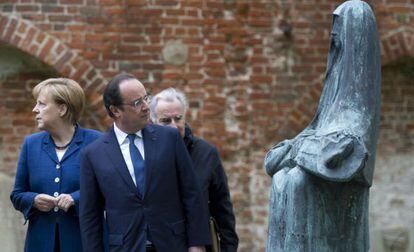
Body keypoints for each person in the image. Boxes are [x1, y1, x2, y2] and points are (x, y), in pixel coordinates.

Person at [264, 1, 381, 251]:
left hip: (333, 230)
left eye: (340, 26)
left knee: (294, 178)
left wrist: (296, 151)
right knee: (286, 178)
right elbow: (272, 160)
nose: (333, 33)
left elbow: (335, 158)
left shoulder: (357, 114)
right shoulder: (328, 115)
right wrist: (305, 150)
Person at [79, 73, 210, 252]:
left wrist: (197, 244)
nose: (146, 107)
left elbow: (191, 193)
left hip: (172, 243)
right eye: (136, 103)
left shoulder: (169, 138)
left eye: (145, 98)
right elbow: (90, 216)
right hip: (125, 246)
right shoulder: (93, 154)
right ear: (115, 110)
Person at [10, 78, 102, 252]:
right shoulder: (31, 144)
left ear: (62, 109)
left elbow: (109, 190)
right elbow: (17, 194)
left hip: (84, 242)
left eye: (42, 104)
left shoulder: (96, 142)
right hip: (40, 243)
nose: (35, 109)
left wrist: (75, 198)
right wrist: (34, 200)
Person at [150, 88, 239, 252]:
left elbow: (223, 209)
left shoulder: (206, 153)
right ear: (153, 122)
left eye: (178, 119)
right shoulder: (143, 154)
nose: (173, 126)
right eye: (165, 120)